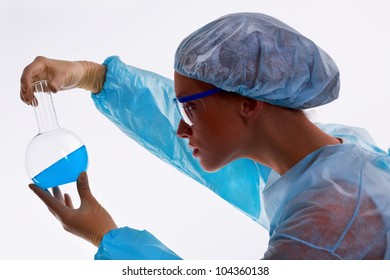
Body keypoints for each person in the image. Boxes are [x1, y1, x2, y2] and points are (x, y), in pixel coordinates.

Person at [20, 13, 390, 260]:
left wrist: (108, 238)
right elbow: (223, 139)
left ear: (248, 102)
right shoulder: (338, 159)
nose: (182, 129)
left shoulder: (325, 227)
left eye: (189, 109)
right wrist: (93, 77)